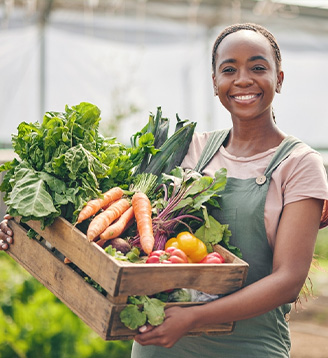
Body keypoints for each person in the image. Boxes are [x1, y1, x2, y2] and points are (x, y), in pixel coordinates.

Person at [1, 22, 328, 358]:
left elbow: (288, 281)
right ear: (215, 83)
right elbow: (119, 218)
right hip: (158, 340)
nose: (243, 79)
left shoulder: (299, 164)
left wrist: (193, 317)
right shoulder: (193, 150)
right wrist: (31, 223)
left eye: (258, 67)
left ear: (280, 79)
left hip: (248, 347)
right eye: (229, 69)